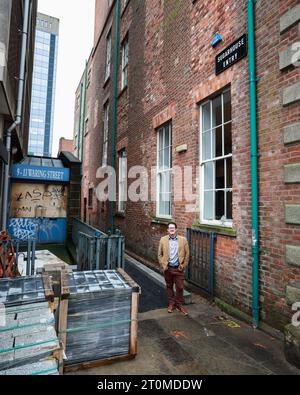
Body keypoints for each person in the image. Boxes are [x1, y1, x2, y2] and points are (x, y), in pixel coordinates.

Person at [158, 222, 190, 316]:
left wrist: (183, 266)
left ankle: (179, 304)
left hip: (178, 269)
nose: (171, 229)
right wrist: (163, 265)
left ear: (176, 229)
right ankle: (171, 303)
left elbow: (187, 255)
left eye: (173, 228)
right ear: (167, 230)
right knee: (169, 286)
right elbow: (159, 254)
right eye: (169, 228)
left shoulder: (183, 240)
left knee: (180, 287)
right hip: (168, 268)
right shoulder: (163, 239)